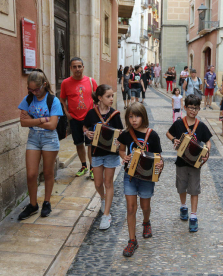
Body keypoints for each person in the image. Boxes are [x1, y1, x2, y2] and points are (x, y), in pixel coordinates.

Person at [118, 103, 164, 257]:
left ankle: (146, 221)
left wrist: (160, 164)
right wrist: (124, 157)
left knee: (145, 206)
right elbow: (121, 149)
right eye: (130, 117)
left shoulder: (152, 135)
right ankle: (132, 240)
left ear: (143, 116)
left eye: (137, 116)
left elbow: (158, 156)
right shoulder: (126, 134)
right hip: (129, 176)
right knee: (131, 208)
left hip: (146, 177)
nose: (134, 120)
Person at [17, 69, 63, 220]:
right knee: (31, 174)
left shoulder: (53, 101)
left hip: (49, 139)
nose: (33, 92)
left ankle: (47, 202)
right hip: (33, 139)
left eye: (36, 89)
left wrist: (33, 119)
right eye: (30, 89)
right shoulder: (28, 99)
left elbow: (53, 125)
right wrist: (42, 120)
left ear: (44, 85)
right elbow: (23, 123)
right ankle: (33, 205)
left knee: (48, 172)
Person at [166, 95, 212, 232]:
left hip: (195, 164)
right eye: (191, 107)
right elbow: (168, 133)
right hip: (181, 162)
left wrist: (207, 151)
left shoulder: (201, 126)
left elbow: (208, 140)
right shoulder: (179, 123)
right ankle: (183, 206)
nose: (193, 110)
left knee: (194, 189)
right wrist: (174, 139)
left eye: (196, 108)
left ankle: (193, 216)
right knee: (181, 187)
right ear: (185, 108)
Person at [83, 84, 124, 230]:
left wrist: (118, 138)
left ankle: (106, 215)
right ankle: (102, 198)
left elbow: (121, 132)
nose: (111, 99)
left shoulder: (115, 114)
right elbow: (85, 126)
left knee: (108, 183)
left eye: (112, 96)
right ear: (99, 98)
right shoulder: (91, 114)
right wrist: (87, 133)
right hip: (96, 153)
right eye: (108, 96)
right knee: (98, 183)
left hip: (111, 154)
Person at [60, 57, 97, 180]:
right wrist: (66, 113)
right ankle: (83, 166)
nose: (77, 69)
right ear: (70, 68)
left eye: (79, 66)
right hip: (75, 119)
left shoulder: (91, 81)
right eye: (74, 67)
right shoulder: (65, 83)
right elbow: (62, 99)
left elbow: (98, 98)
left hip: (89, 119)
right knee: (79, 143)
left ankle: (92, 168)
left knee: (90, 144)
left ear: (83, 67)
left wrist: (96, 112)